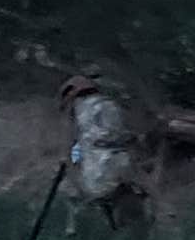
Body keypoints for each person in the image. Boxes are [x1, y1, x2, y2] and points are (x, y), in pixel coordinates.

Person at [58, 74, 148, 231]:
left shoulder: (82, 111)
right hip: (122, 162)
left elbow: (79, 145)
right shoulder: (110, 105)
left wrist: (71, 161)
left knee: (75, 192)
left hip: (100, 169)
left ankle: (76, 231)